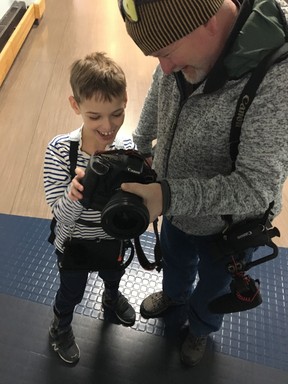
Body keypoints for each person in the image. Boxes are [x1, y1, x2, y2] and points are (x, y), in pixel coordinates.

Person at [118, 0, 288, 367]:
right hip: (177, 213)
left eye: (166, 52)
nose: (163, 66)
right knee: (176, 262)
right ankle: (175, 296)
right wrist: (140, 144)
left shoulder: (277, 78)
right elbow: (161, 86)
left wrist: (167, 194)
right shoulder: (183, 54)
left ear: (208, 22)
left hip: (226, 233)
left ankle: (200, 329)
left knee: (215, 288)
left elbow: (255, 189)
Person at [43, 52, 136, 364]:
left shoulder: (127, 148)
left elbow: (133, 205)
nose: (107, 127)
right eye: (94, 117)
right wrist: (75, 193)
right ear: (75, 106)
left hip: (113, 237)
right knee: (71, 291)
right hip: (74, 242)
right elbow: (59, 212)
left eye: (117, 114)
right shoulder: (59, 151)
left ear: (125, 99)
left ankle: (110, 297)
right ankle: (61, 326)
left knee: (114, 273)